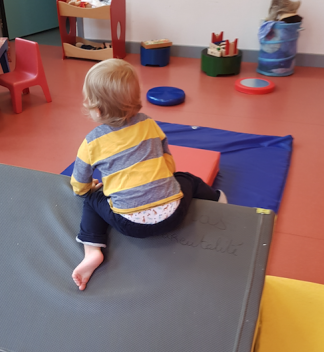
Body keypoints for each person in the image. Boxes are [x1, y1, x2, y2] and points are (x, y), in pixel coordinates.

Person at [70, 59, 227, 291]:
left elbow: (79, 184)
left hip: (129, 224)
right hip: (173, 215)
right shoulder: (149, 124)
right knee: (188, 179)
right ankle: (218, 200)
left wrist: (89, 189)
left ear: (98, 110)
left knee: (92, 200)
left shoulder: (92, 142)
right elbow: (169, 164)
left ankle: (92, 251)